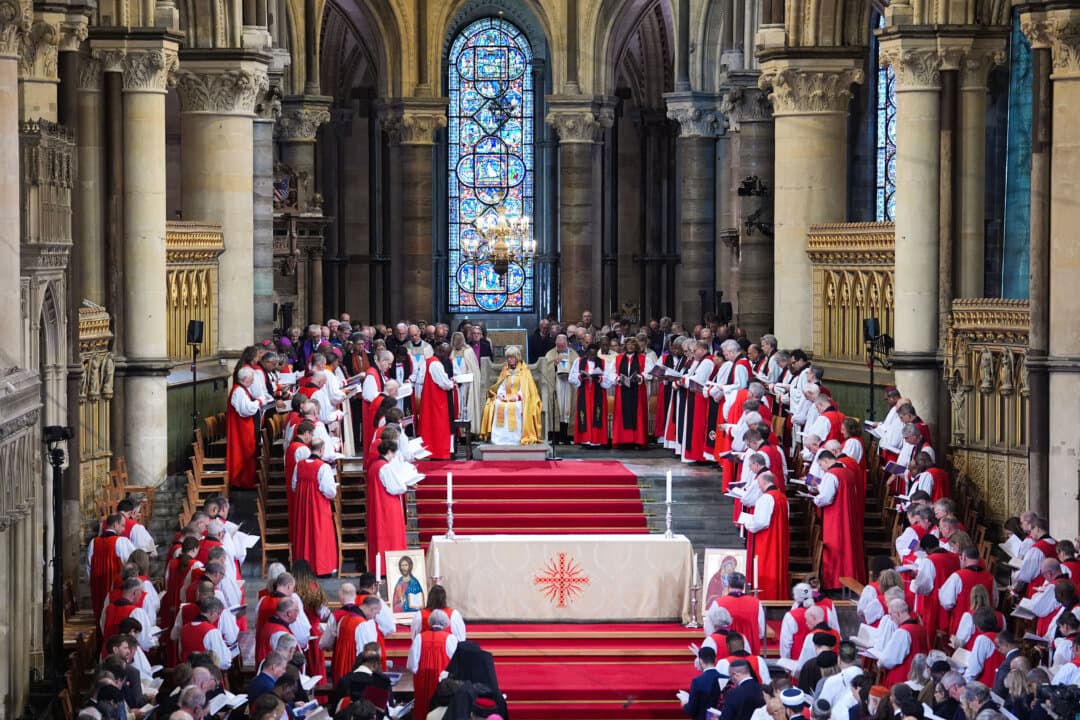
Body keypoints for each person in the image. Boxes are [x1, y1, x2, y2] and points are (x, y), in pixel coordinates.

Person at [813, 450, 865, 589]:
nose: (822, 468)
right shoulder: (848, 472)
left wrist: (815, 499)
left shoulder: (831, 475)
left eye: (821, 465)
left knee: (835, 548)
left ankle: (835, 583)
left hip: (835, 517)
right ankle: (850, 579)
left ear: (825, 461)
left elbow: (826, 498)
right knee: (848, 547)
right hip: (848, 515)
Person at [290, 440, 338, 576]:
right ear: (322, 450)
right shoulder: (323, 467)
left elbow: (294, 486)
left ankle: (304, 568)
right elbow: (329, 491)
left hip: (303, 508)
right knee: (319, 535)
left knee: (304, 534)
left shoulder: (299, 465)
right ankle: (321, 567)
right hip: (318, 507)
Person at [480, 345, 543, 445]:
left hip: (520, 399)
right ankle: (499, 439)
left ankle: (515, 438)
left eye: (512, 357)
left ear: (517, 357)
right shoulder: (505, 370)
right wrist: (501, 395)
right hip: (506, 398)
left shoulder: (524, 370)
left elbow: (526, 389)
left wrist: (517, 397)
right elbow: (501, 385)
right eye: (508, 357)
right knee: (496, 404)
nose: (509, 359)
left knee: (517, 407)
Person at [743, 471, 790, 601]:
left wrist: (746, 522)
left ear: (764, 482)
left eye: (758, 483)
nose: (758, 486)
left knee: (766, 569)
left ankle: (767, 598)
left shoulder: (766, 498)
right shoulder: (783, 497)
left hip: (767, 541)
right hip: (779, 539)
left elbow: (761, 522)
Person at [366, 439, 408, 573]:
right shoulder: (385, 467)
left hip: (377, 506)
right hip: (387, 507)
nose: (394, 457)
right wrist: (405, 485)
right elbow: (395, 487)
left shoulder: (374, 466)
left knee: (380, 537)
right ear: (389, 452)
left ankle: (380, 568)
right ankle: (389, 568)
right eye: (393, 453)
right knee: (391, 537)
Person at [407, 609, 459, 720]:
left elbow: (411, 665)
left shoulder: (419, 637)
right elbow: (456, 663)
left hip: (422, 681)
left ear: (430, 622)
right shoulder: (450, 638)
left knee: (422, 709)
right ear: (445, 623)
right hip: (443, 684)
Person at [88, 514, 136, 620]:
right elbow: (133, 561)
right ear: (115, 525)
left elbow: (89, 568)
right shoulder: (122, 542)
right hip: (116, 590)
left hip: (97, 589)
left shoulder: (93, 543)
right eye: (122, 525)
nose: (124, 529)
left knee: (100, 618)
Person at [417, 343, 457, 459]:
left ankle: (436, 451)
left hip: (432, 398)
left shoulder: (429, 361)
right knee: (439, 426)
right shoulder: (436, 364)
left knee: (433, 426)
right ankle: (440, 452)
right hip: (438, 400)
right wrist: (452, 383)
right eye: (447, 353)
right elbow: (444, 383)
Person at [225, 366, 263, 489]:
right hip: (242, 428)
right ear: (245, 379)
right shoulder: (238, 391)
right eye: (251, 379)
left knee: (248, 453)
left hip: (245, 427)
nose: (252, 382)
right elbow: (246, 409)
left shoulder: (242, 389)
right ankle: (243, 481)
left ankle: (248, 479)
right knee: (245, 452)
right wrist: (259, 401)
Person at [567, 343, 612, 446]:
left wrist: (600, 378)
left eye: (594, 354)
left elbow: (609, 379)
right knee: (585, 414)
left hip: (598, 393)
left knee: (597, 414)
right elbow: (571, 377)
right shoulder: (579, 361)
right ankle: (585, 438)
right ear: (586, 353)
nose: (592, 357)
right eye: (590, 354)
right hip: (584, 392)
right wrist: (580, 377)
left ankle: (597, 439)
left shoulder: (603, 362)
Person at [710, 572, 765, 655]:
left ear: (728, 586)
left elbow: (710, 629)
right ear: (743, 586)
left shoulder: (718, 603)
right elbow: (761, 631)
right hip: (750, 649)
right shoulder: (756, 603)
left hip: (726, 649)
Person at [878, 599, 929, 687]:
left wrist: (880, 662)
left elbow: (889, 659)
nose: (891, 618)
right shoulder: (920, 627)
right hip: (920, 674)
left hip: (903, 677)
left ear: (897, 613)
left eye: (891, 614)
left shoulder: (903, 632)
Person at [611, 337, 651, 447]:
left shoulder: (643, 358)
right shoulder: (618, 358)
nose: (630, 346)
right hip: (622, 389)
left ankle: (637, 441)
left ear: (636, 346)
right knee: (621, 414)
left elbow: (649, 372)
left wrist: (640, 376)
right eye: (628, 344)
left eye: (633, 344)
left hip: (637, 390)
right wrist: (618, 378)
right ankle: (622, 440)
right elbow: (611, 372)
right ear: (625, 345)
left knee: (637, 414)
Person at [541, 333, 579, 444]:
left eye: (562, 345)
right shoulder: (550, 354)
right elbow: (546, 369)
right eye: (558, 345)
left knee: (567, 410)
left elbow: (577, 367)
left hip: (569, 386)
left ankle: (568, 436)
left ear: (566, 343)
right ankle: (555, 436)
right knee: (558, 409)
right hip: (556, 385)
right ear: (555, 344)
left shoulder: (573, 354)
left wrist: (570, 373)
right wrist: (554, 364)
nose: (560, 347)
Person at [449, 331, 483, 434]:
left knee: (467, 407)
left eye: (459, 341)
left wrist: (464, 378)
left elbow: (473, 370)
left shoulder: (468, 351)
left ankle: (468, 432)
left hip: (467, 385)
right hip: (455, 386)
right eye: (456, 341)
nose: (458, 343)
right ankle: (458, 432)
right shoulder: (451, 352)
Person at [678, 646, 724, 720]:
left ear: (701, 661)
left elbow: (690, 710)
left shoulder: (697, 681)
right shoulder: (726, 678)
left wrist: (684, 702)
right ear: (715, 660)